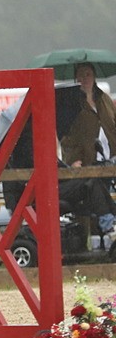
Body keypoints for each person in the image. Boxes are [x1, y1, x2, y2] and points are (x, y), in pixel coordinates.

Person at [59, 62, 116, 233]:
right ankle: (92, 239)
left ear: (94, 76)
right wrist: (71, 160)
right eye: (80, 75)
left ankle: (106, 234)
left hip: (109, 155)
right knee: (90, 196)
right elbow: (65, 134)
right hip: (84, 158)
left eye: (87, 74)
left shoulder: (104, 98)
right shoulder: (71, 103)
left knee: (101, 193)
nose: (84, 78)